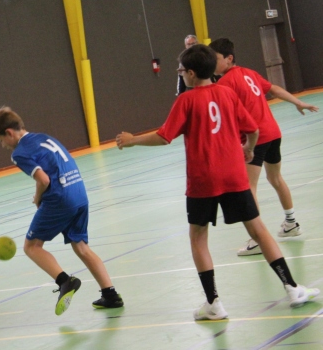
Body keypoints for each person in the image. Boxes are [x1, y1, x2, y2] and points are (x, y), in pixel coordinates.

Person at [116, 44, 319, 320]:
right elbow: (253, 129)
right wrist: (248, 148)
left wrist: (132, 141)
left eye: (180, 71)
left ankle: (213, 303)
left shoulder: (186, 100)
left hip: (203, 180)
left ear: (190, 73)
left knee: (198, 237)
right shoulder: (227, 93)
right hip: (234, 174)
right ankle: (293, 288)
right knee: (259, 230)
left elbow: (164, 136)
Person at [0, 107, 123, 316]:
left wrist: (38, 197)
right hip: (79, 192)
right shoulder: (44, 138)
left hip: (60, 198)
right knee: (81, 246)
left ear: (9, 133)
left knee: (31, 246)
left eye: (1, 140)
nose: (4, 145)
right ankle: (110, 295)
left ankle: (65, 281)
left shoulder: (20, 153)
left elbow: (44, 179)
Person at [209, 38, 319, 256]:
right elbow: (275, 89)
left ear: (229, 59)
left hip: (255, 137)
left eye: (216, 59)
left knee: (249, 188)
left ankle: (257, 239)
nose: (212, 63)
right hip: (273, 133)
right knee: (276, 179)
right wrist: (298, 102)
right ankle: (291, 223)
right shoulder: (249, 72)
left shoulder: (225, 84)